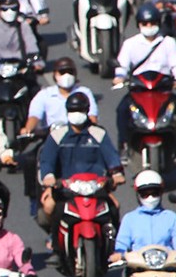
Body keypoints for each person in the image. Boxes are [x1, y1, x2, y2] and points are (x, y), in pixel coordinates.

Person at [37, 90, 125, 231]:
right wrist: (48, 177)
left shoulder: (98, 133)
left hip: (96, 188)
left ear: (87, 111)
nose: (76, 113)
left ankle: (112, 242)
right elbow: (47, 160)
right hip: (65, 189)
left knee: (114, 207)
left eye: (80, 110)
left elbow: (111, 156)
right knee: (49, 207)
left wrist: (116, 173)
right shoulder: (57, 135)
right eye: (73, 110)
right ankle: (55, 240)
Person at [115, 3, 176, 151]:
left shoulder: (168, 42)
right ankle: (124, 144)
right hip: (138, 90)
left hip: (163, 89)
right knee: (122, 110)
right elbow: (122, 66)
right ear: (139, 24)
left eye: (153, 23)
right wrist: (120, 77)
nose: (149, 26)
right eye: (145, 23)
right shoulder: (130, 44)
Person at [24, 56, 100, 137]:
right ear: (55, 74)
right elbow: (34, 115)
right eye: (62, 72)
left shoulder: (84, 92)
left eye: (70, 72)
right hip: (51, 138)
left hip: (79, 137)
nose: (66, 75)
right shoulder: (44, 94)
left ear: (75, 74)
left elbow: (92, 116)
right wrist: (28, 129)